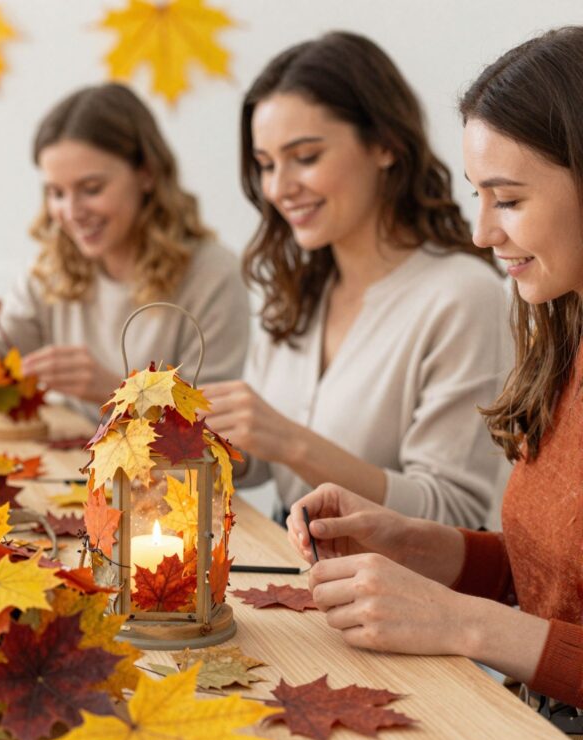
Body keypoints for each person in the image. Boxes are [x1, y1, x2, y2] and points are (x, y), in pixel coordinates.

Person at [288, 26, 583, 716]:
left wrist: (461, 622)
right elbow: (553, 580)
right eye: (477, 195)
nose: (482, 232)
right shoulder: (566, 337)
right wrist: (416, 543)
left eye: (508, 200)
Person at [205, 32, 509, 528]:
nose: (279, 188)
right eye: (265, 165)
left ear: (385, 145)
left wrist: (291, 441)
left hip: (397, 594)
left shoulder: (462, 296)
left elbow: (454, 514)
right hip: (292, 565)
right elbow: (260, 459)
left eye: (305, 157)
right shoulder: (300, 288)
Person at [0, 83, 248, 417]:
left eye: (91, 189)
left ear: (146, 174)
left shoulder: (212, 277)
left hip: (156, 470)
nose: (72, 212)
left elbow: (214, 436)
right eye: (57, 193)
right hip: (77, 464)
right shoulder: (52, 271)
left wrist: (116, 391)